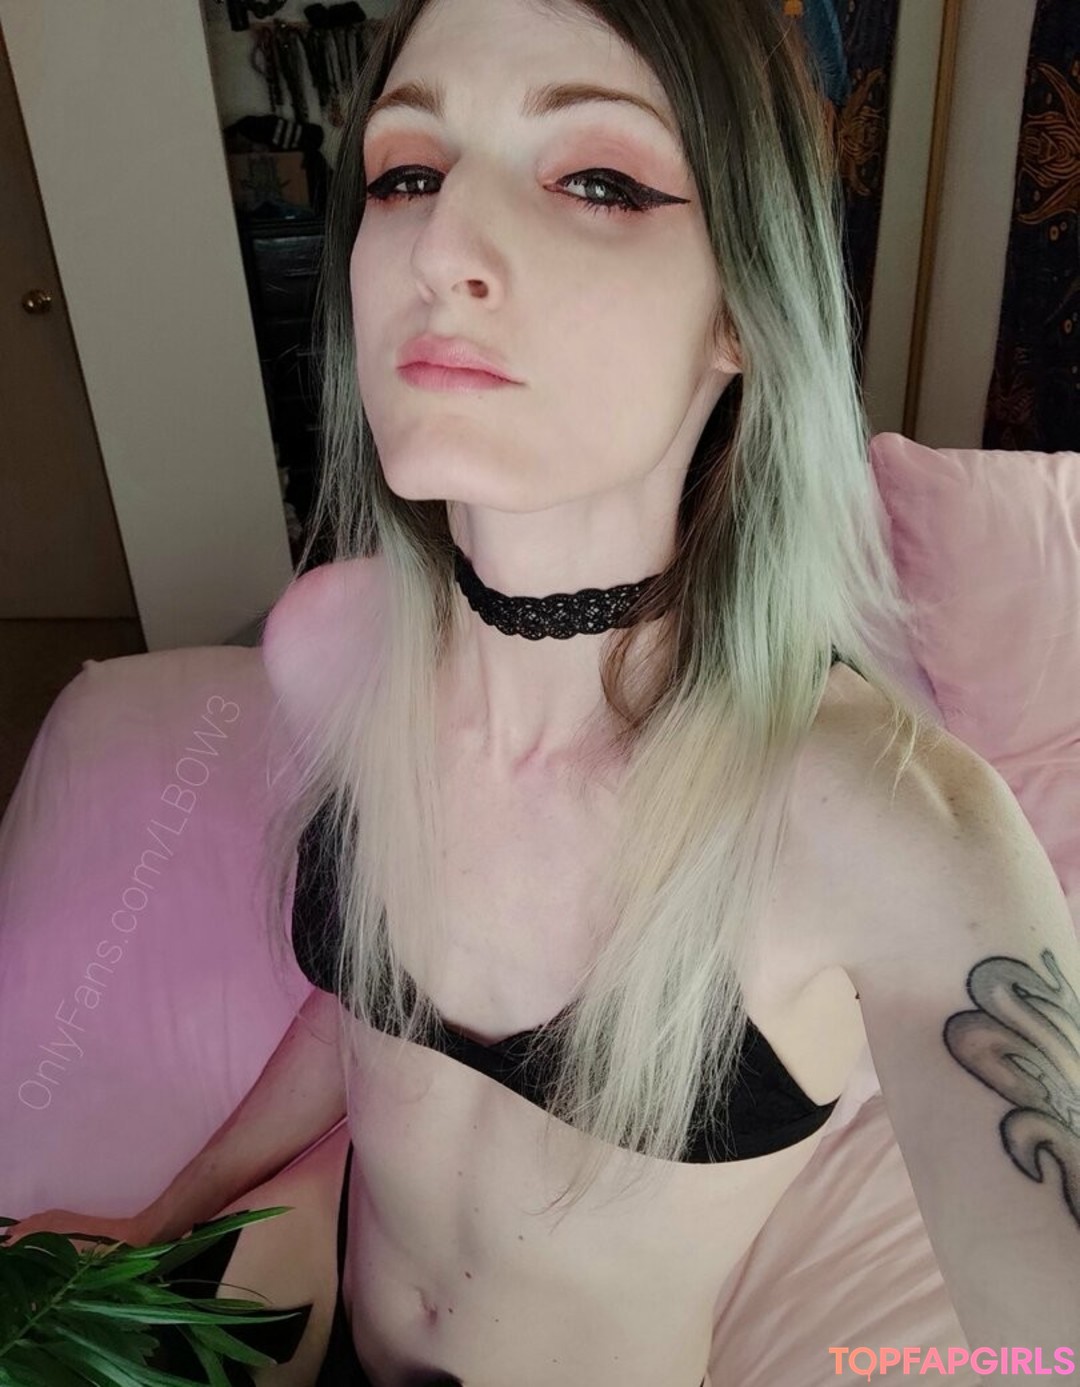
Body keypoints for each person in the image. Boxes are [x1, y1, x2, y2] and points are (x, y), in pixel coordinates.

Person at [9, 0, 1079, 1383]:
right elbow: (365, 1022)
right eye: (407, 172)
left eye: (597, 181)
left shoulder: (892, 827)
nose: (439, 245)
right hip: (328, 1323)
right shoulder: (335, 644)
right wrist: (162, 1220)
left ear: (743, 311)